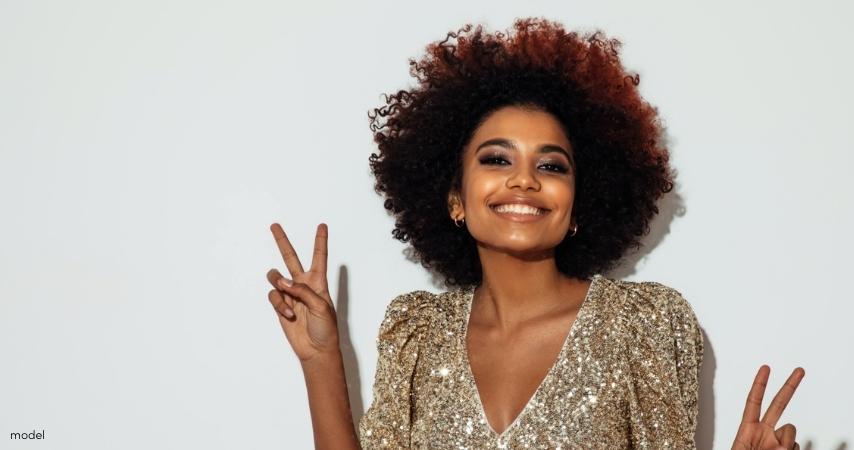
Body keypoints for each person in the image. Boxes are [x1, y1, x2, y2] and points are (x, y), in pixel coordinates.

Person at [264, 17, 805, 450]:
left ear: (576, 207)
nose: (524, 179)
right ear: (455, 197)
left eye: (552, 166)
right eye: (497, 158)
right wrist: (321, 361)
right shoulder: (415, 333)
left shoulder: (645, 325)